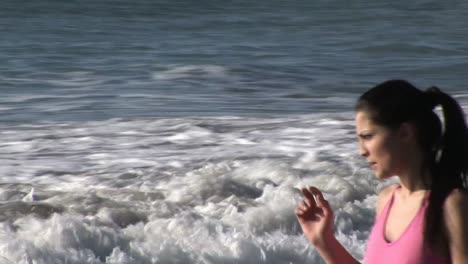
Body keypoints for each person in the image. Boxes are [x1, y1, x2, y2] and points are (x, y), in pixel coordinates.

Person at [295, 80, 468, 264]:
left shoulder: (452, 204)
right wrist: (324, 241)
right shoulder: (387, 200)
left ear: (405, 133)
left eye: (368, 136)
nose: (362, 150)